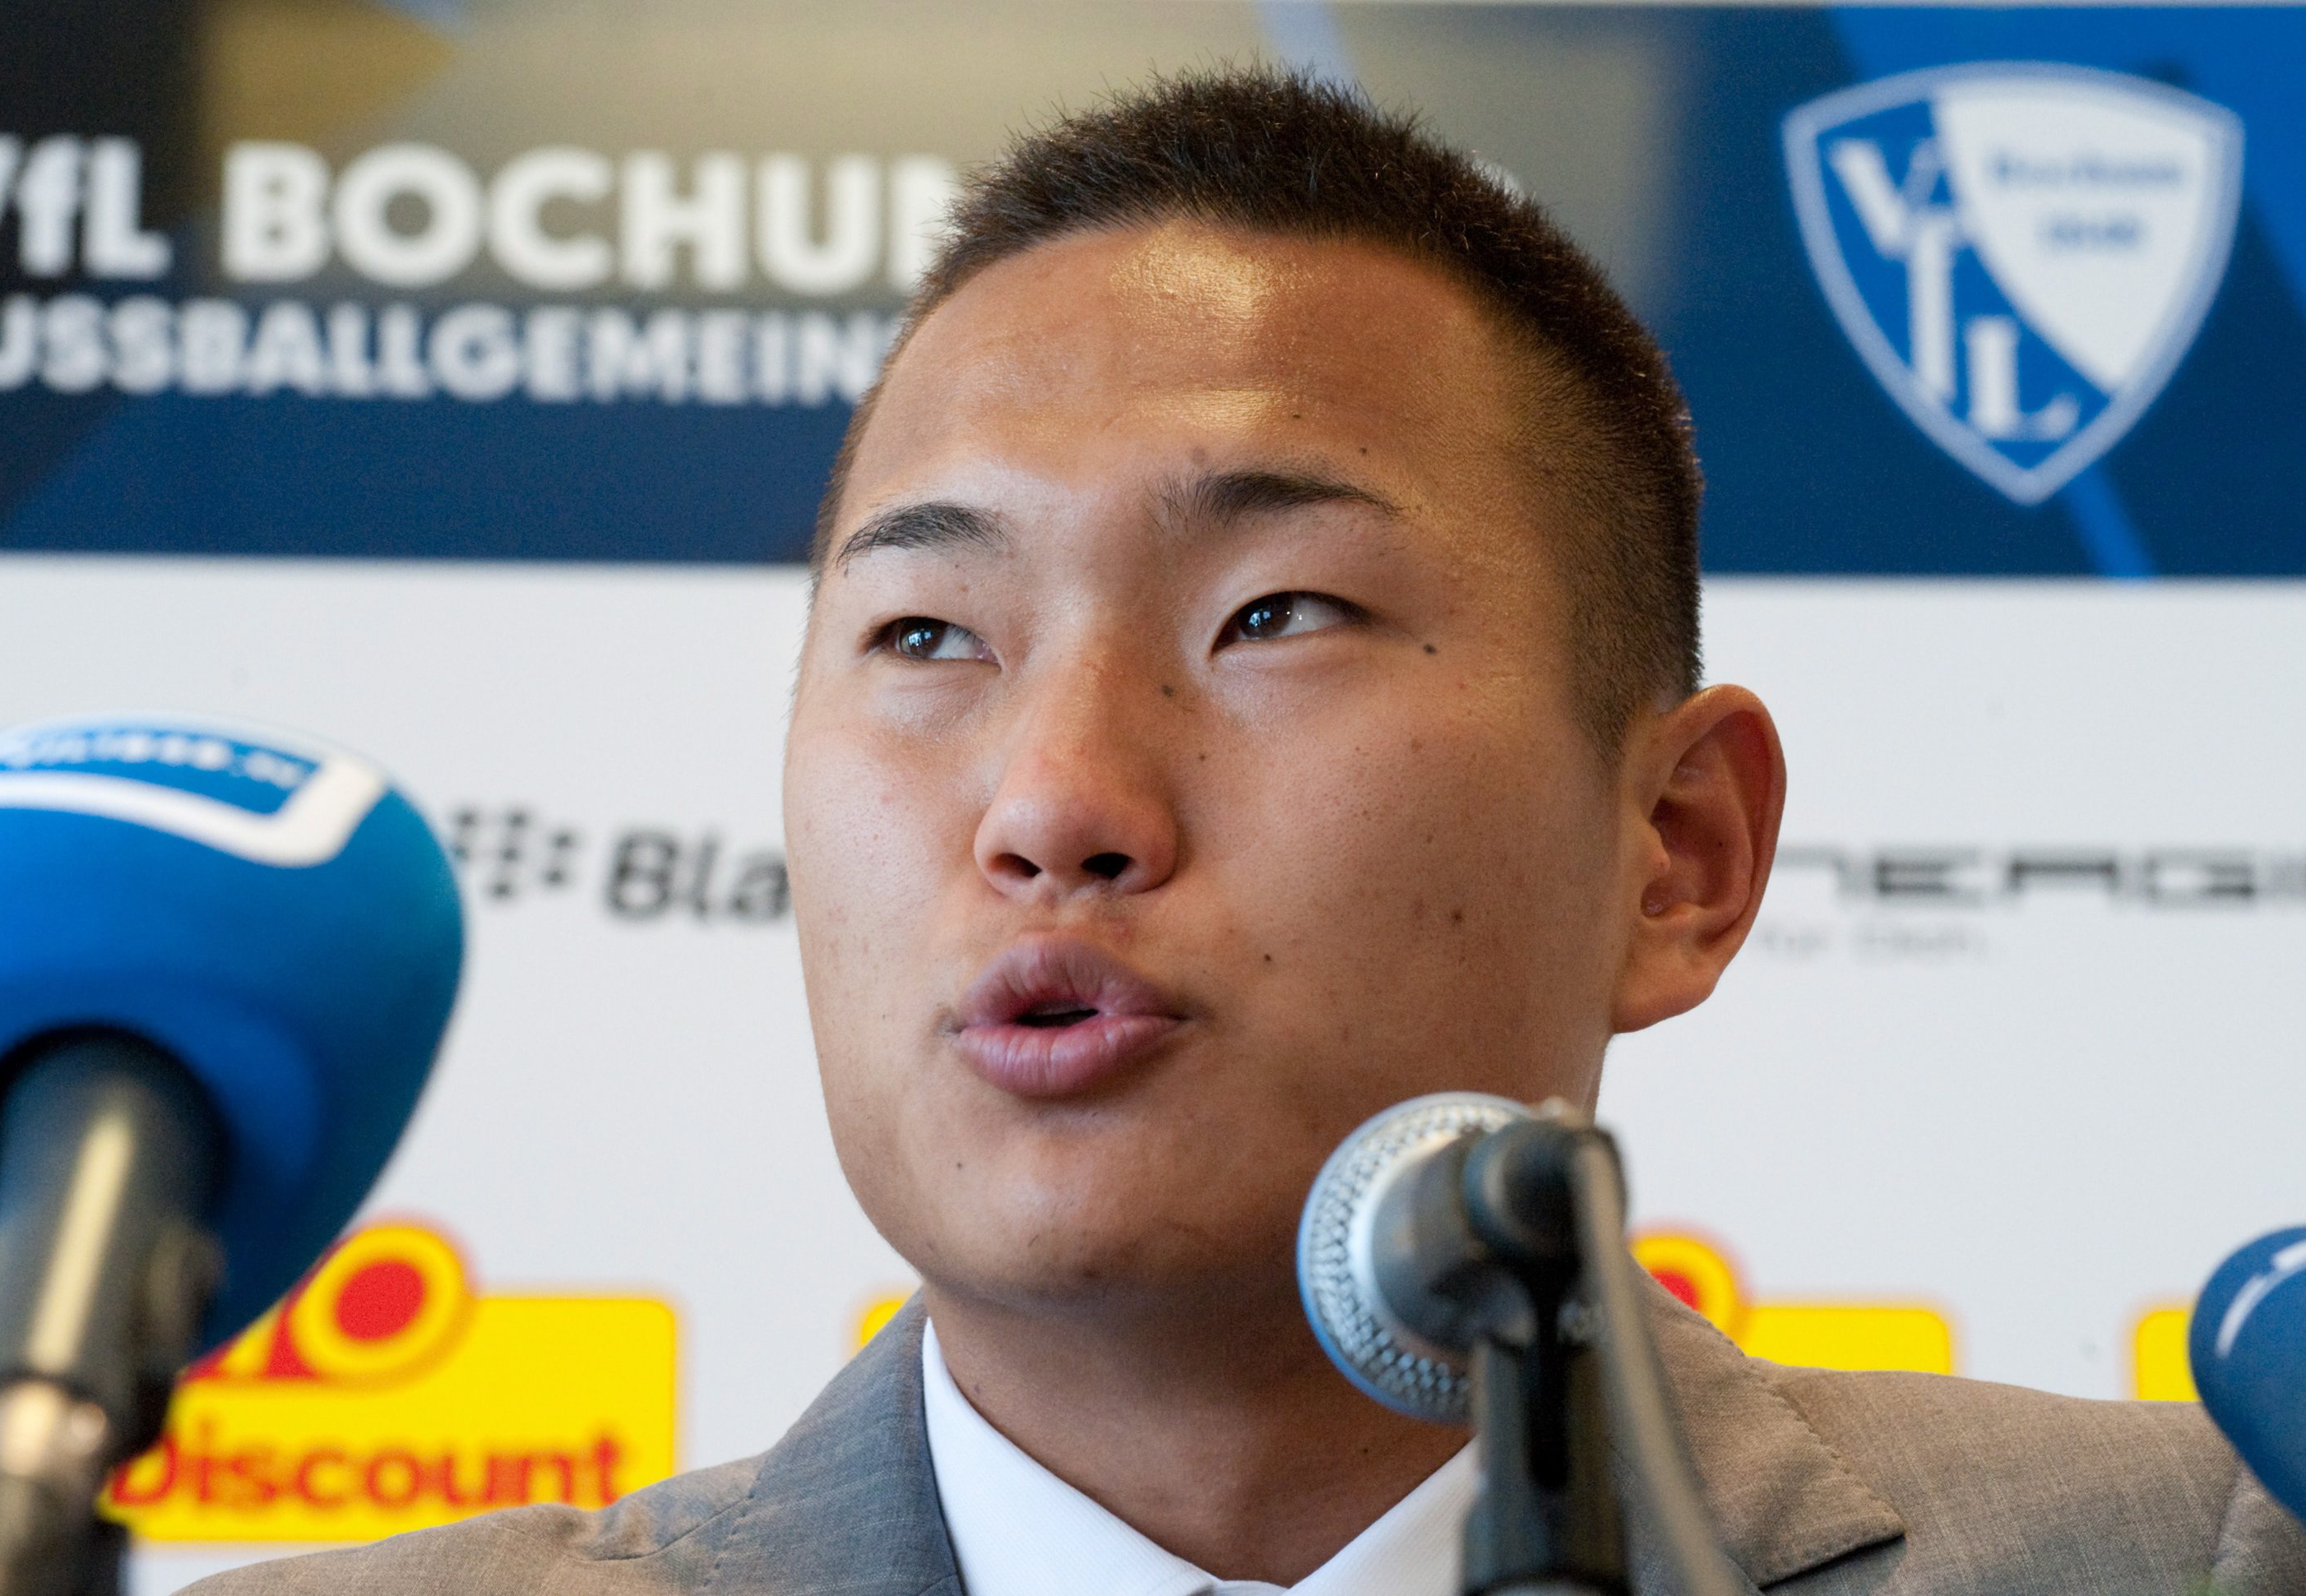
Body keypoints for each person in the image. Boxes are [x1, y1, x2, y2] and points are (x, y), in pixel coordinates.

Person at [192, 68, 2306, 1595]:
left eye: (1273, 614)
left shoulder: (2196, 1557)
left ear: (1677, 849)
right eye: (928, 629)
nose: (1053, 803)